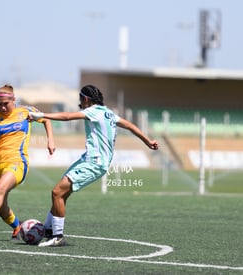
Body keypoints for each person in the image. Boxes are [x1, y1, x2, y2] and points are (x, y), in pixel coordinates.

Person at [29, 84, 159, 247]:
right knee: (62, 193)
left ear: (85, 99)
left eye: (80, 100)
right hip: (91, 160)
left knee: (57, 192)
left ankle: (57, 236)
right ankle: (48, 230)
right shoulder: (109, 113)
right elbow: (130, 125)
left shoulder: (93, 111)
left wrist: (39, 115)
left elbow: (68, 116)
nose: (80, 104)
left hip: (94, 162)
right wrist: (148, 141)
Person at [0, 84, 56, 240]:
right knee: (0, 206)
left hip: (17, 162)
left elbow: (46, 120)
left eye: (5, 104)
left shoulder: (26, 111)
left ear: (14, 100)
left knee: (0, 189)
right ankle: (18, 227)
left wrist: (50, 140)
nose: (2, 107)